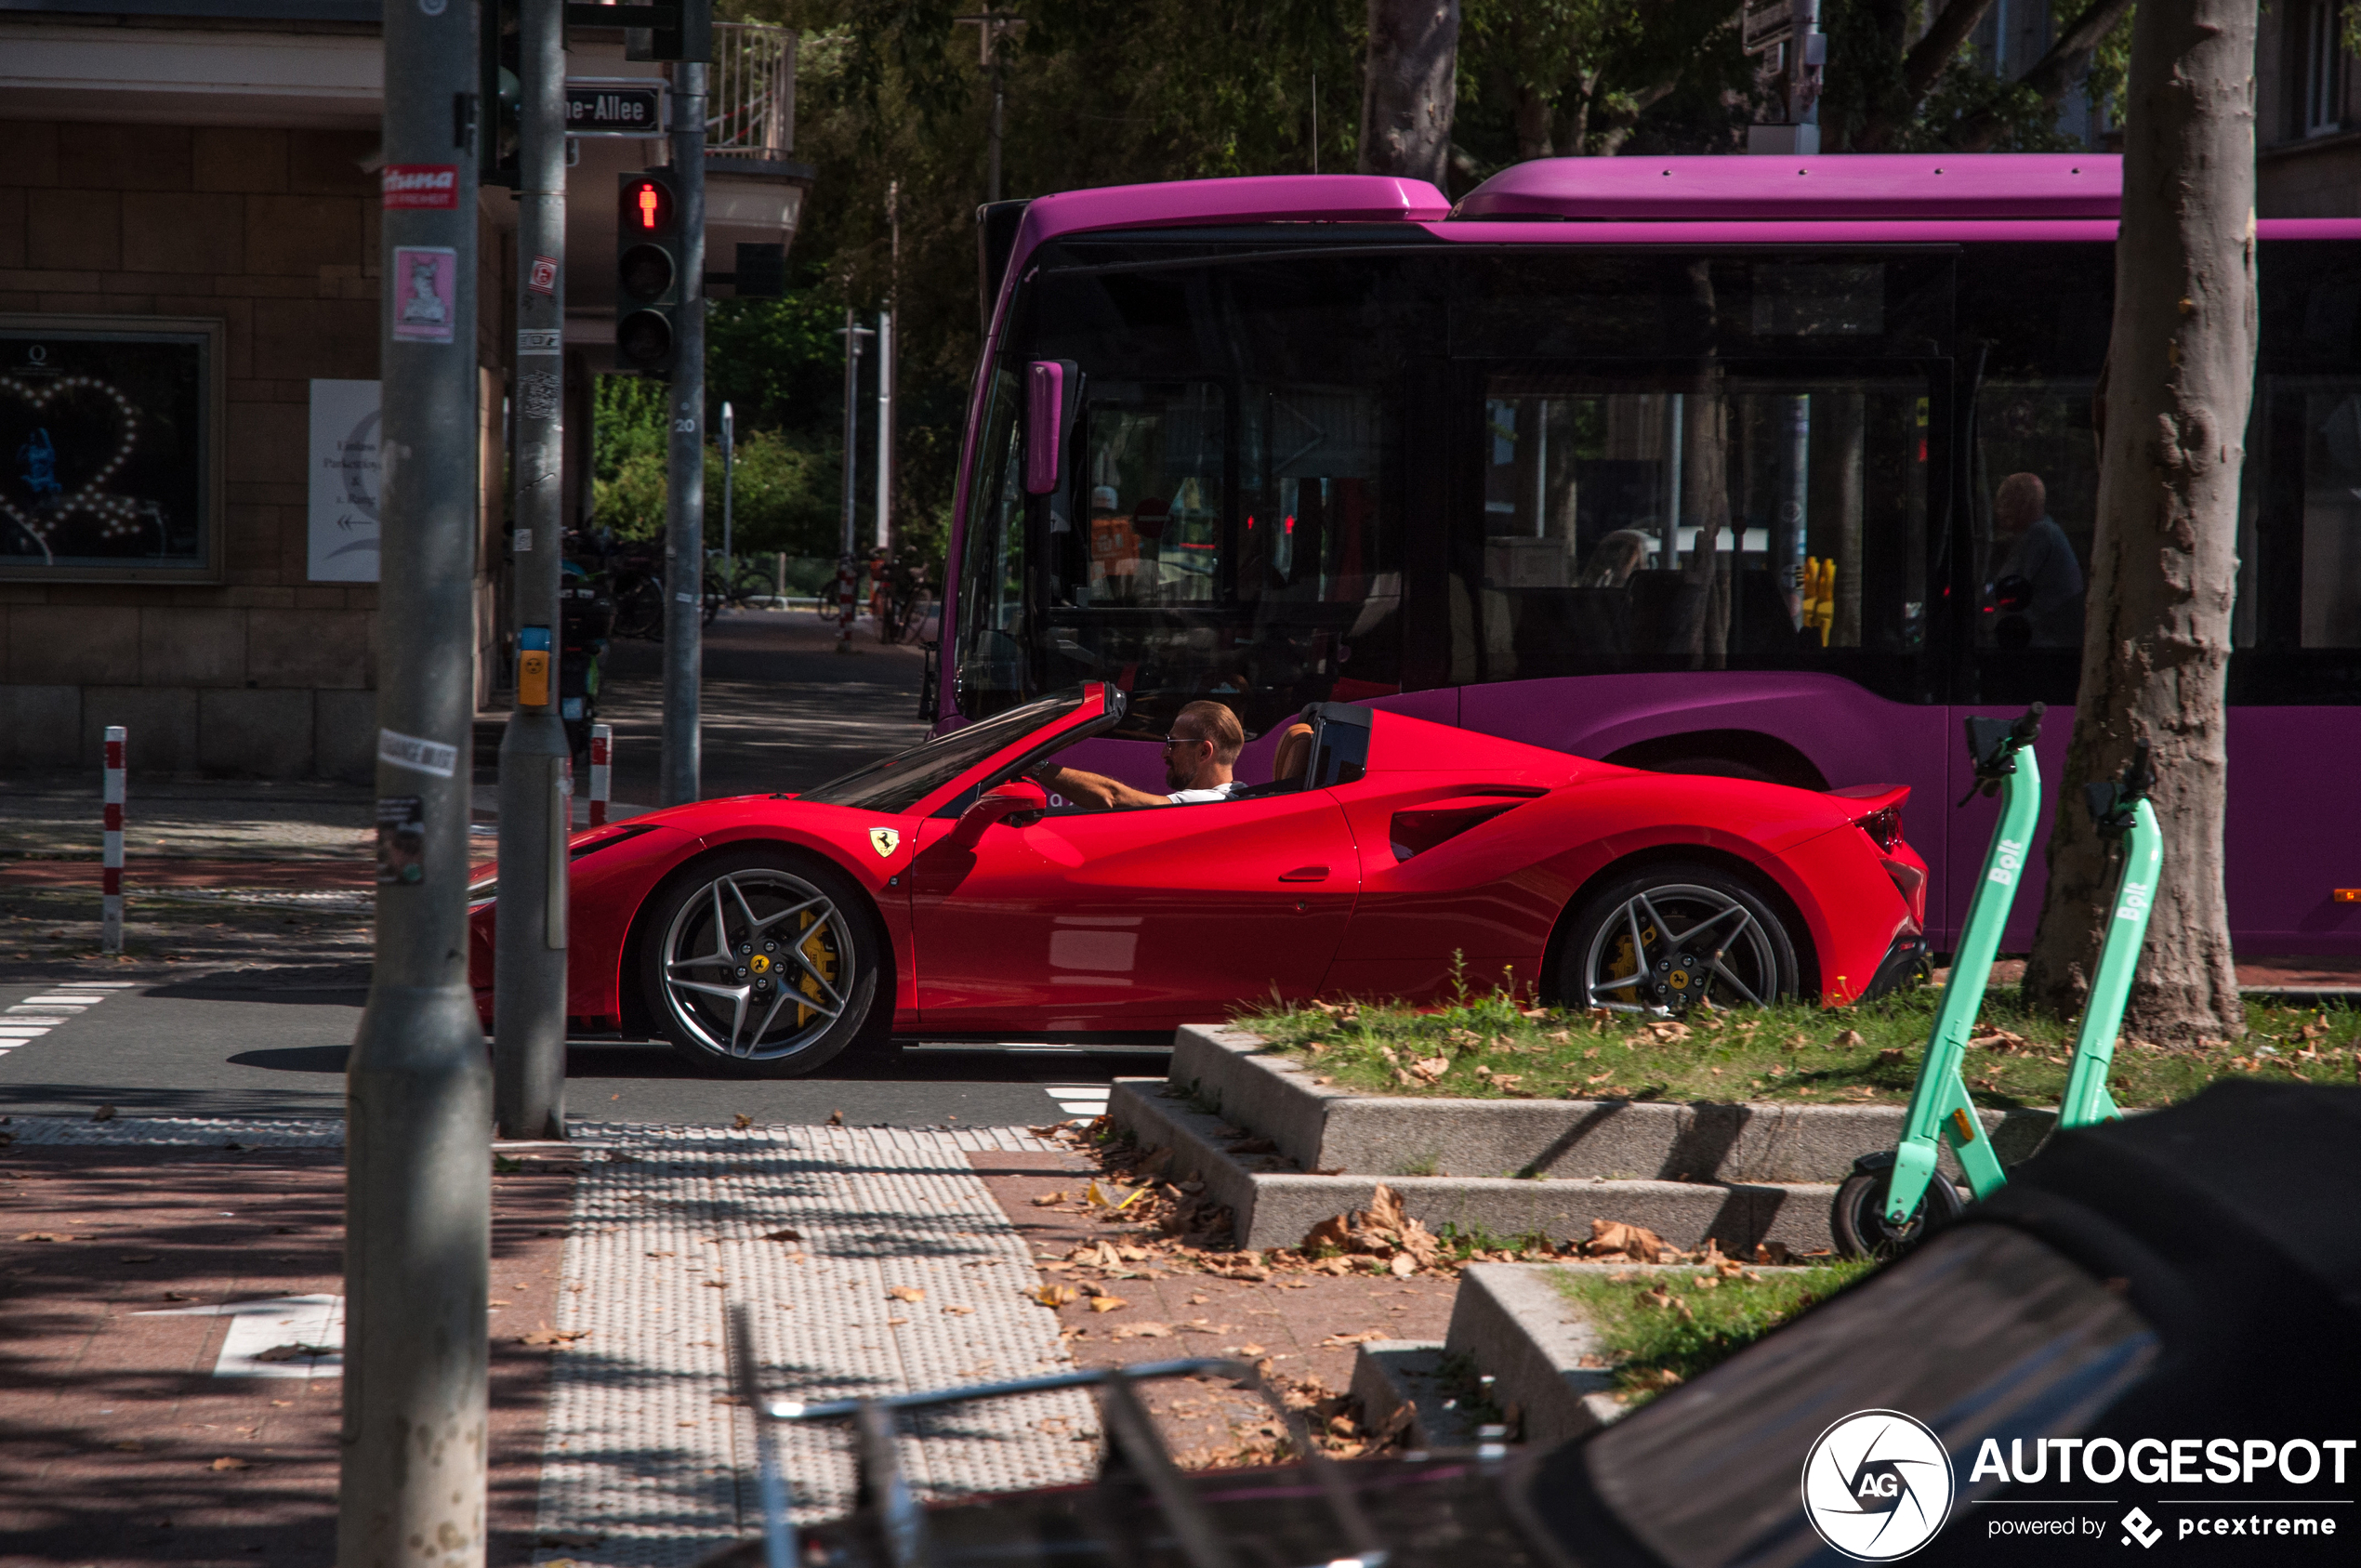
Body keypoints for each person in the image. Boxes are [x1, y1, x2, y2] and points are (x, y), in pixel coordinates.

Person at [1028, 699, 1246, 809]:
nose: (1164, 753)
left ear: (1203, 752)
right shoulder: (1240, 793)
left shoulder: (1202, 804)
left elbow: (1112, 797)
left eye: (1173, 743)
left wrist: (1034, 766)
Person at [1988, 471, 2084, 647]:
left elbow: (2007, 589)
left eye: (2007, 500)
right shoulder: (2045, 532)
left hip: (2041, 645)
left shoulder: (2040, 534)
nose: (1999, 508)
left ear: (2025, 503)